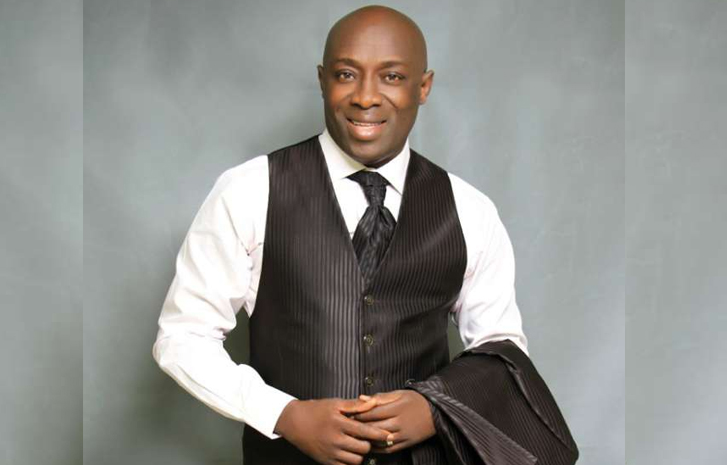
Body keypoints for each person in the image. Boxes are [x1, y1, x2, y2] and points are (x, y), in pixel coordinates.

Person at [153, 5, 576, 465]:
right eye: (346, 75)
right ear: (322, 80)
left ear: (423, 87)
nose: (366, 97)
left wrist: (435, 408)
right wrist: (284, 415)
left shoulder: (469, 209)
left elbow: (502, 352)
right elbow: (183, 336)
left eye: (391, 77)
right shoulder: (250, 190)